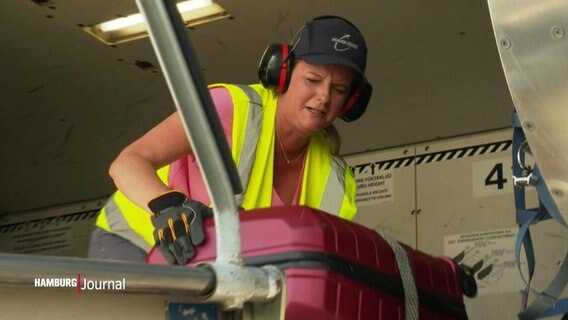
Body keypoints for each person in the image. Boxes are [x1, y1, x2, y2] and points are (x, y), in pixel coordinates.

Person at [89, 15, 373, 265]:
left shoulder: (337, 182)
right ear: (281, 73)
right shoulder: (232, 108)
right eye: (312, 79)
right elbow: (128, 162)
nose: (324, 96)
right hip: (134, 241)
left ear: (350, 103)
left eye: (338, 89)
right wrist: (167, 205)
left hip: (211, 263)